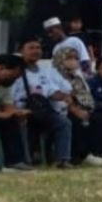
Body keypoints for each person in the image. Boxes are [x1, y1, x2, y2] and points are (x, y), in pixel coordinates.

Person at [12, 36, 73, 168]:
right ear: (21, 51)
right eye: (31, 48)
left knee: (63, 123)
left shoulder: (43, 70)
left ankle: (62, 160)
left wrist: (65, 96)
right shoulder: (15, 70)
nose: (35, 51)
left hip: (41, 110)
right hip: (21, 110)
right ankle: (24, 160)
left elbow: (51, 91)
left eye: (38, 48)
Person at [55, 48, 94, 164]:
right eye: (69, 58)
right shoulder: (55, 75)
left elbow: (85, 94)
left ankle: (95, 152)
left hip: (79, 107)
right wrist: (75, 109)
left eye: (76, 58)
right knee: (74, 120)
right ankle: (79, 155)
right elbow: (59, 96)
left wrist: (86, 109)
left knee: (98, 119)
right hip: (61, 109)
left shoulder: (77, 75)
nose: (73, 61)